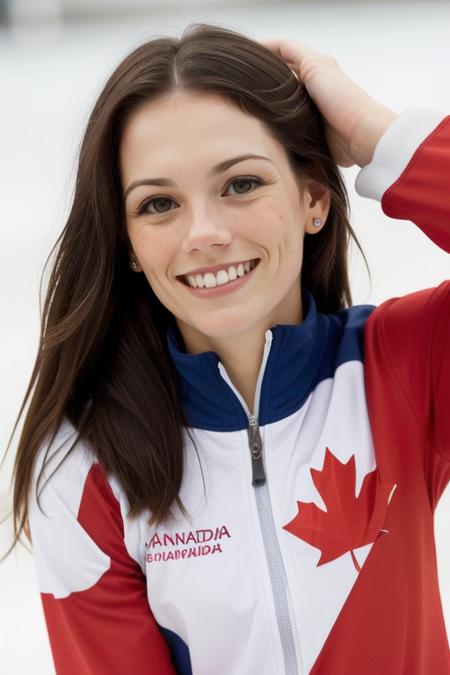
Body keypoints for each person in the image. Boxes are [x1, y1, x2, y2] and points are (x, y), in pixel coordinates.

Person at [4, 22, 449, 675]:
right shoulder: (85, 463)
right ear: (127, 243)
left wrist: (377, 135)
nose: (204, 233)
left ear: (313, 199)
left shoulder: (400, 367)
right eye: (159, 203)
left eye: (240, 184)